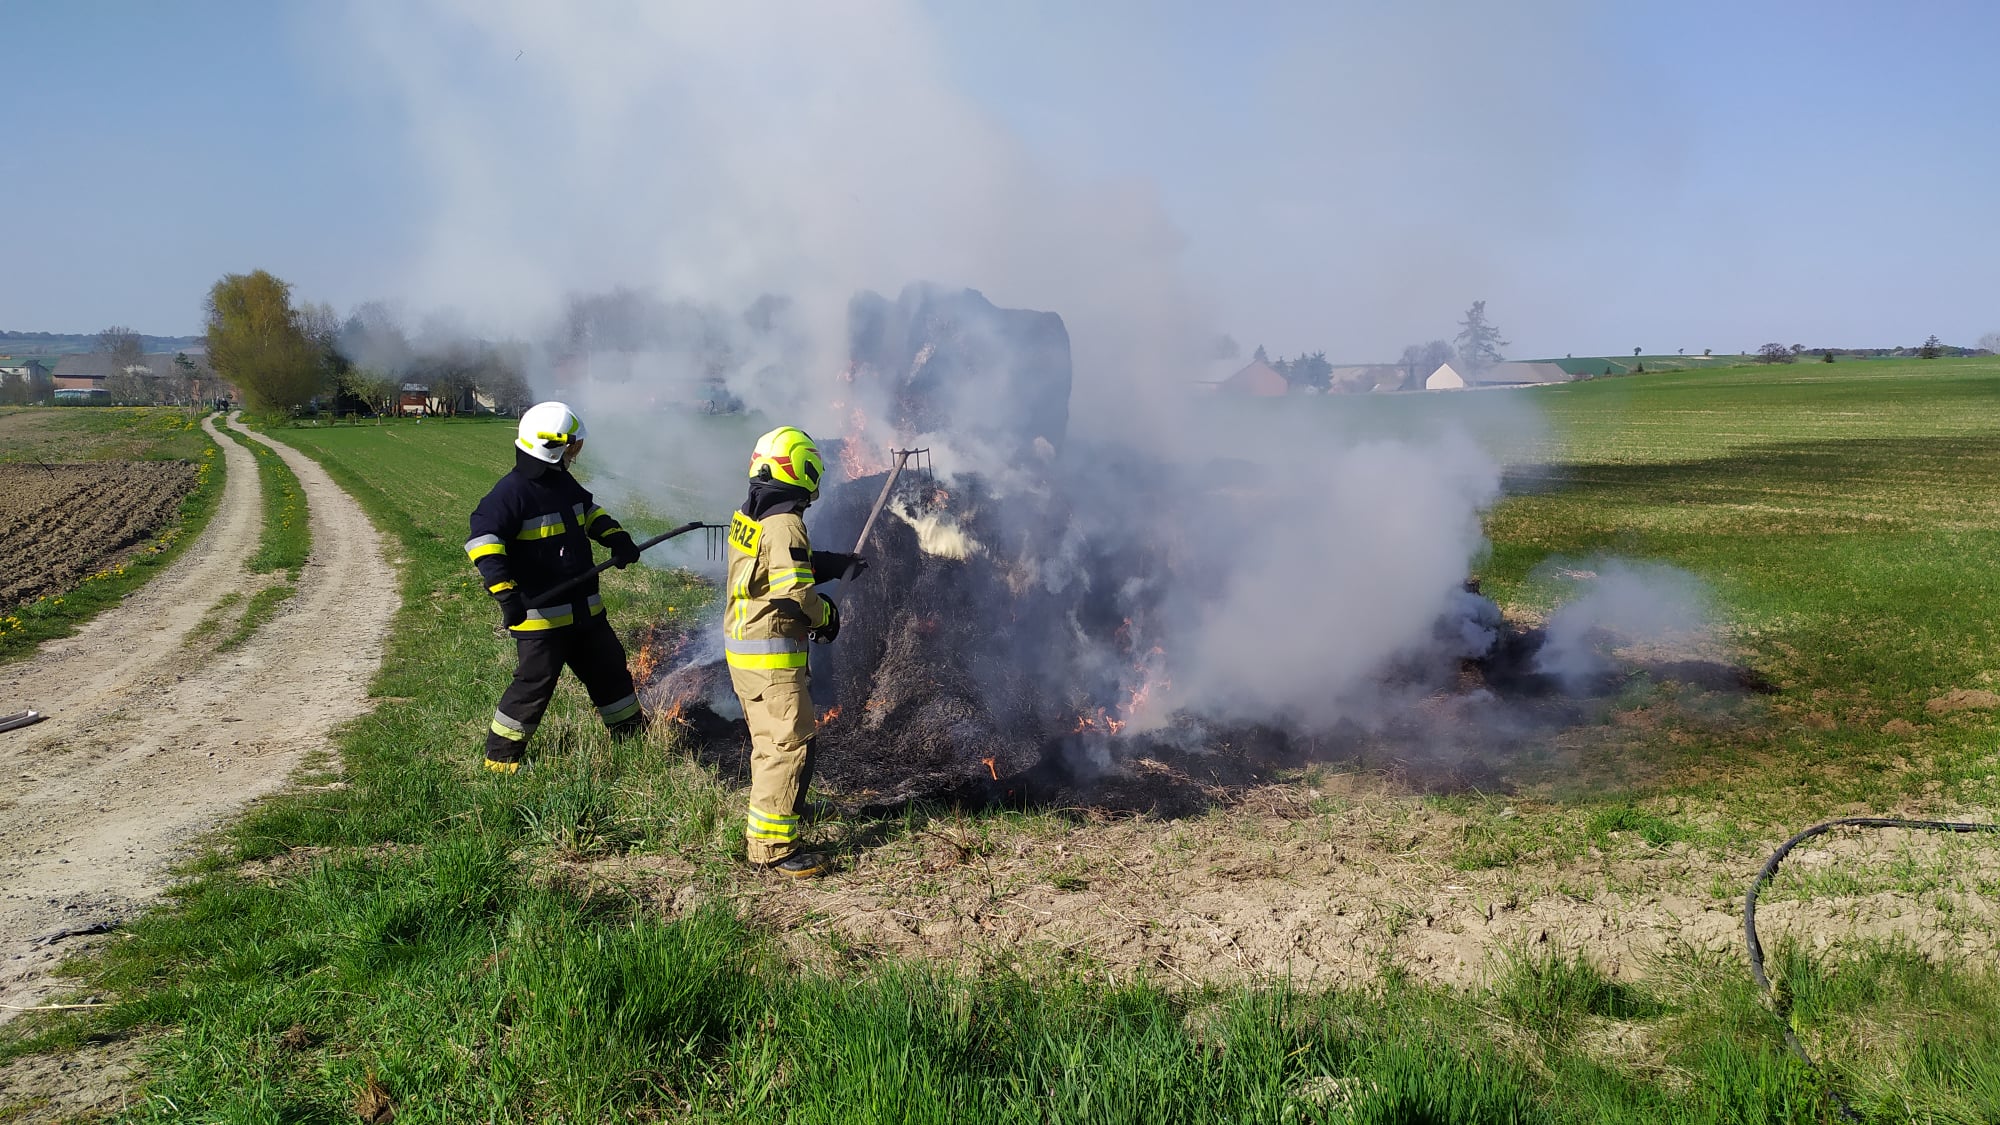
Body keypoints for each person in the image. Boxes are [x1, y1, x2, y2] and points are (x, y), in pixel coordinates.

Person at [464, 401, 644, 773]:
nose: (575, 453)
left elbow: (588, 513)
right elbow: (483, 542)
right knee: (533, 687)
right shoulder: (510, 494)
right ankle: (500, 761)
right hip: (540, 619)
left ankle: (631, 739)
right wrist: (504, 593)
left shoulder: (561, 481)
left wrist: (617, 538)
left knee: (610, 670)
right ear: (554, 446)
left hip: (586, 612)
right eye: (572, 446)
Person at [724, 426, 863, 877]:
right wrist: (827, 617)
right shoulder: (786, 524)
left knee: (770, 743)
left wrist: (833, 563)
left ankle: (778, 821)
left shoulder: (751, 516)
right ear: (800, 471)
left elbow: (774, 565)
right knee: (787, 746)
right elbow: (793, 593)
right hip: (771, 661)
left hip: (747, 654)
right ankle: (774, 848)